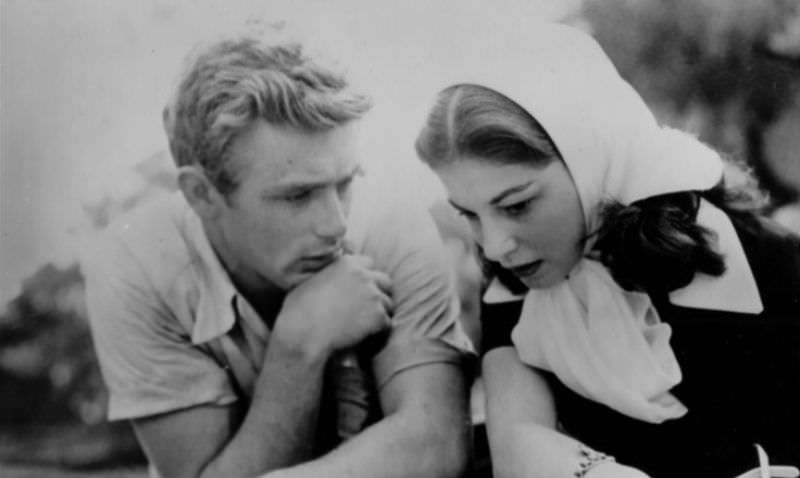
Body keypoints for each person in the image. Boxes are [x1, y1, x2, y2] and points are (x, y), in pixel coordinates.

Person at [81, 28, 475, 478]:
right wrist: (298, 345)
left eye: (345, 183)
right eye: (297, 196)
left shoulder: (392, 225)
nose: (336, 224)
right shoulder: (136, 267)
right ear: (201, 194)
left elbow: (436, 448)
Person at [413, 22, 800, 478]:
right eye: (470, 215)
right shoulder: (515, 282)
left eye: (517, 205)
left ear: (591, 157)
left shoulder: (768, 264)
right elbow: (520, 446)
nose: (495, 246)